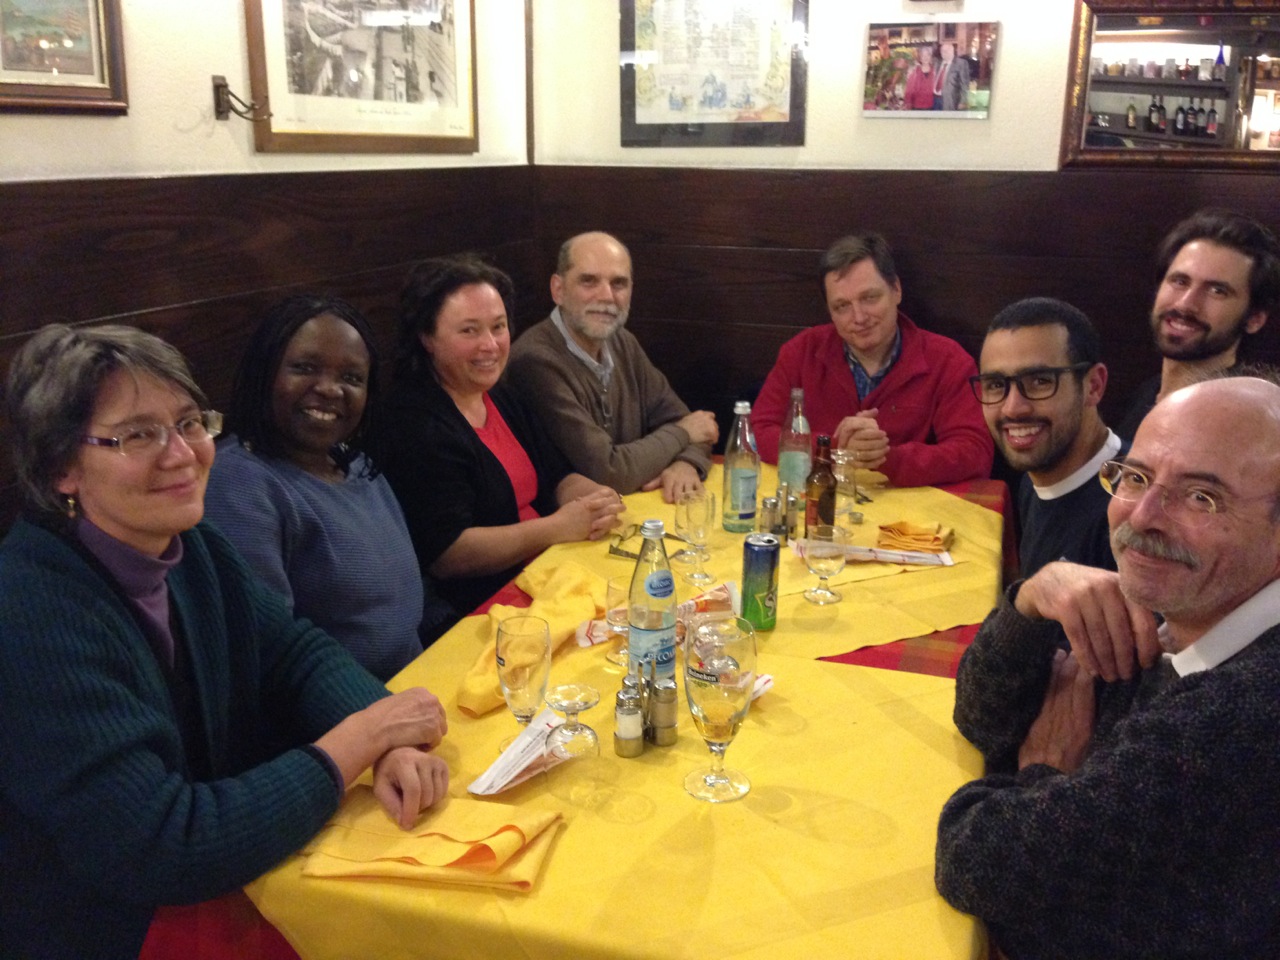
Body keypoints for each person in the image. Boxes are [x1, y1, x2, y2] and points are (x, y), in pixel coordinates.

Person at [0, 324, 449, 959]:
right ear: (61, 469)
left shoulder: (189, 545)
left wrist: (388, 737)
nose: (182, 454)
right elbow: (164, 845)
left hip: (215, 873)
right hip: (109, 926)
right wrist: (360, 740)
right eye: (137, 435)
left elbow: (292, 651)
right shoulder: (30, 613)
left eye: (189, 423)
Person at [935, 375, 1280, 960]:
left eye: (1202, 497)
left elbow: (979, 864)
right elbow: (983, 719)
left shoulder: (1241, 715)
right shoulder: (1182, 615)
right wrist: (1032, 599)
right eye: (1136, 477)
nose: (1142, 517)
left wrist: (1040, 773)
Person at [374, 254, 624, 618]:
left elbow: (556, 474)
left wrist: (596, 499)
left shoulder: (501, 395)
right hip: (485, 606)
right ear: (427, 337)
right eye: (469, 330)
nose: (490, 345)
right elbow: (449, 554)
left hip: (549, 574)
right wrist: (557, 527)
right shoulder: (413, 421)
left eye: (498, 327)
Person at [204, 295, 439, 680]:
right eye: (305, 368)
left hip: (419, 680)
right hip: (352, 710)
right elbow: (272, 655)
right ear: (265, 373)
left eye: (352, 378)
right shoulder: (239, 484)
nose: (330, 389)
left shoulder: (355, 462)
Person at [752, 232, 993, 487]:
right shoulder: (801, 352)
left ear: (896, 290)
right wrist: (834, 447)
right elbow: (758, 431)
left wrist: (888, 457)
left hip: (910, 508)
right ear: (830, 312)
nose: (858, 317)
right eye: (842, 306)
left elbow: (975, 452)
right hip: (819, 500)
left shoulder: (949, 360)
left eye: (869, 298)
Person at [506, 231, 717, 503]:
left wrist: (686, 463)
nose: (607, 296)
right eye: (589, 281)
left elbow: (697, 426)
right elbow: (610, 473)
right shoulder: (534, 361)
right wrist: (683, 434)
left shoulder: (622, 342)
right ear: (558, 290)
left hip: (630, 511)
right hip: (571, 523)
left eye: (619, 283)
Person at [973, 297, 1122, 577]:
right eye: (996, 385)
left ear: (1093, 386)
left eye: (1040, 381)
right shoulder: (1034, 478)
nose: (1012, 408)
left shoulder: (1130, 517)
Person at [1116, 208, 1280, 441]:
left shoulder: (1247, 423)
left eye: (1217, 291)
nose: (1185, 304)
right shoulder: (1144, 395)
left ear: (1254, 319)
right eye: (1180, 281)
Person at [934, 41, 970, 110]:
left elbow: (964, 84)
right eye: (942, 51)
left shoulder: (961, 63)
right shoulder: (937, 63)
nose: (943, 53)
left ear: (952, 51)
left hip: (950, 100)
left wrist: (963, 101)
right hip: (935, 99)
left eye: (946, 50)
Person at [902, 44, 937, 110]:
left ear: (930, 57)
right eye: (923, 55)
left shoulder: (935, 71)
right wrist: (907, 103)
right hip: (917, 106)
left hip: (932, 106)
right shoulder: (914, 71)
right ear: (920, 58)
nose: (926, 57)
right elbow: (909, 90)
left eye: (928, 55)